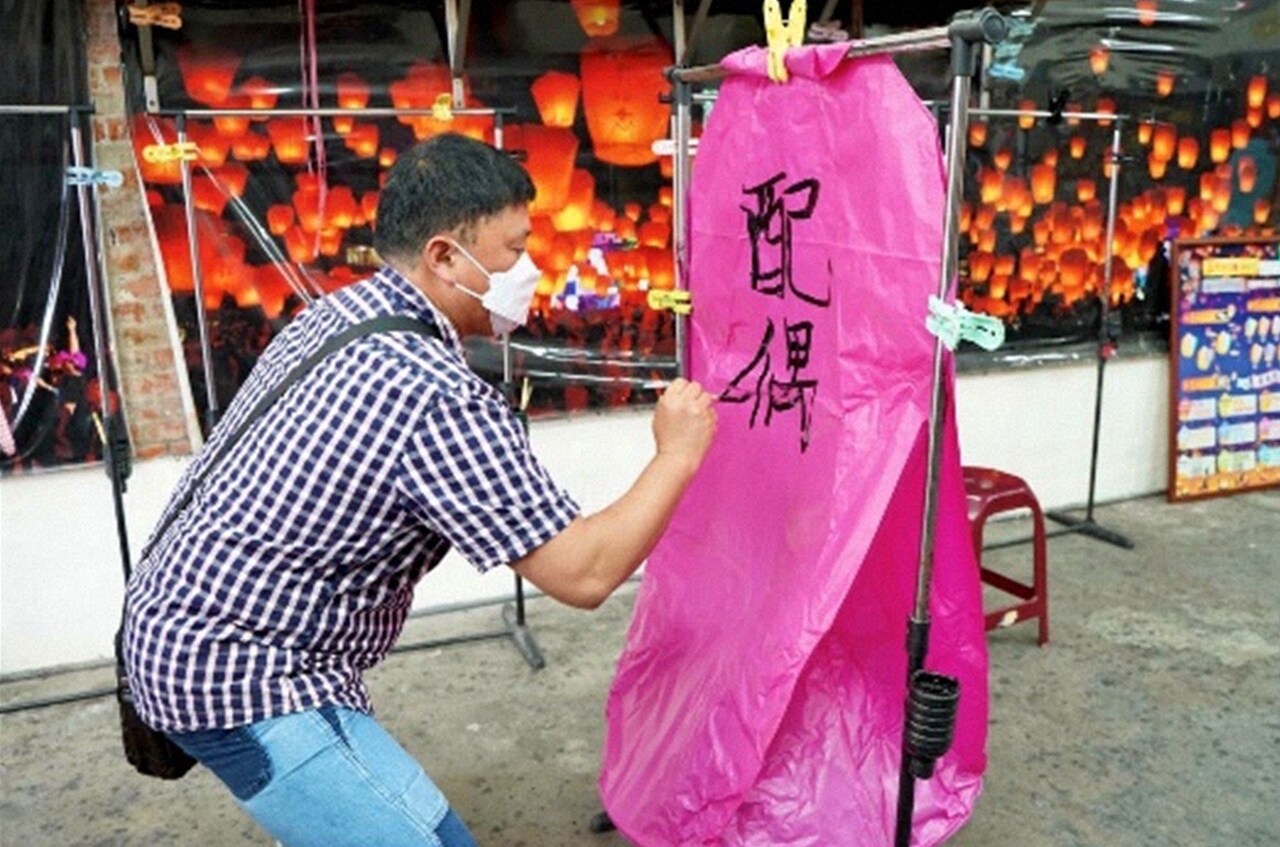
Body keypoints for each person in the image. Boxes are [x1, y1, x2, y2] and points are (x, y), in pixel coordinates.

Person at [122, 132, 717, 847]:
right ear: (443, 255)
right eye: (511, 250)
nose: (527, 269)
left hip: (171, 620)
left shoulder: (336, 314)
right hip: (239, 669)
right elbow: (583, 572)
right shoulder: (432, 391)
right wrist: (676, 455)